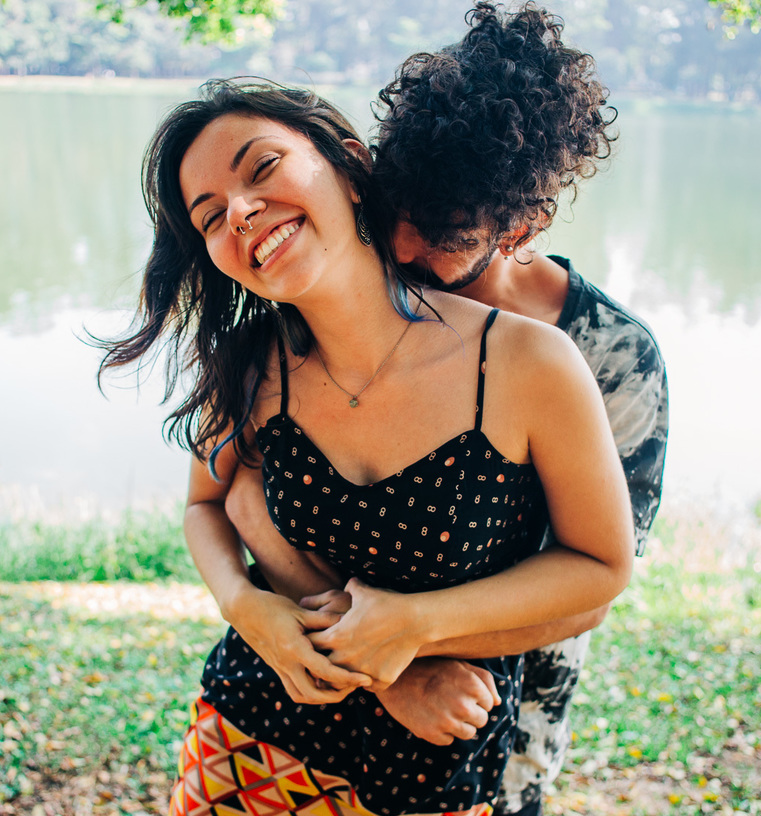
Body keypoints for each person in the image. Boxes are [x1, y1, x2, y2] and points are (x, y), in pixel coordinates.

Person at [99, 77, 634, 816]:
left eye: (262, 168)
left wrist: (415, 627)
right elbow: (207, 506)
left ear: (350, 167)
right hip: (249, 740)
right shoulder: (247, 363)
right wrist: (245, 606)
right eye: (211, 217)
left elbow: (599, 568)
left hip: (428, 770)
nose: (242, 212)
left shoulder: (527, 363)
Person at [227, 5, 669, 816]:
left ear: (521, 229)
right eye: (395, 210)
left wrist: (413, 644)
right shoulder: (350, 293)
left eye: (446, 233)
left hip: (495, 700)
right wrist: (378, 662)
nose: (403, 250)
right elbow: (246, 491)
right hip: (314, 695)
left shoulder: (611, 357)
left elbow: (591, 585)